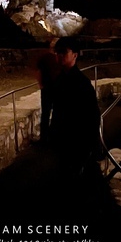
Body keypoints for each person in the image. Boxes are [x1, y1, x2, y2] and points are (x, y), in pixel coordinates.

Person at [45, 37, 102, 173]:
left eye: (63, 52)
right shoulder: (59, 80)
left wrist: (90, 147)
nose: (59, 55)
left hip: (77, 144)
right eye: (57, 52)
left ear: (75, 55)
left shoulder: (82, 83)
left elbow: (93, 116)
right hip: (63, 142)